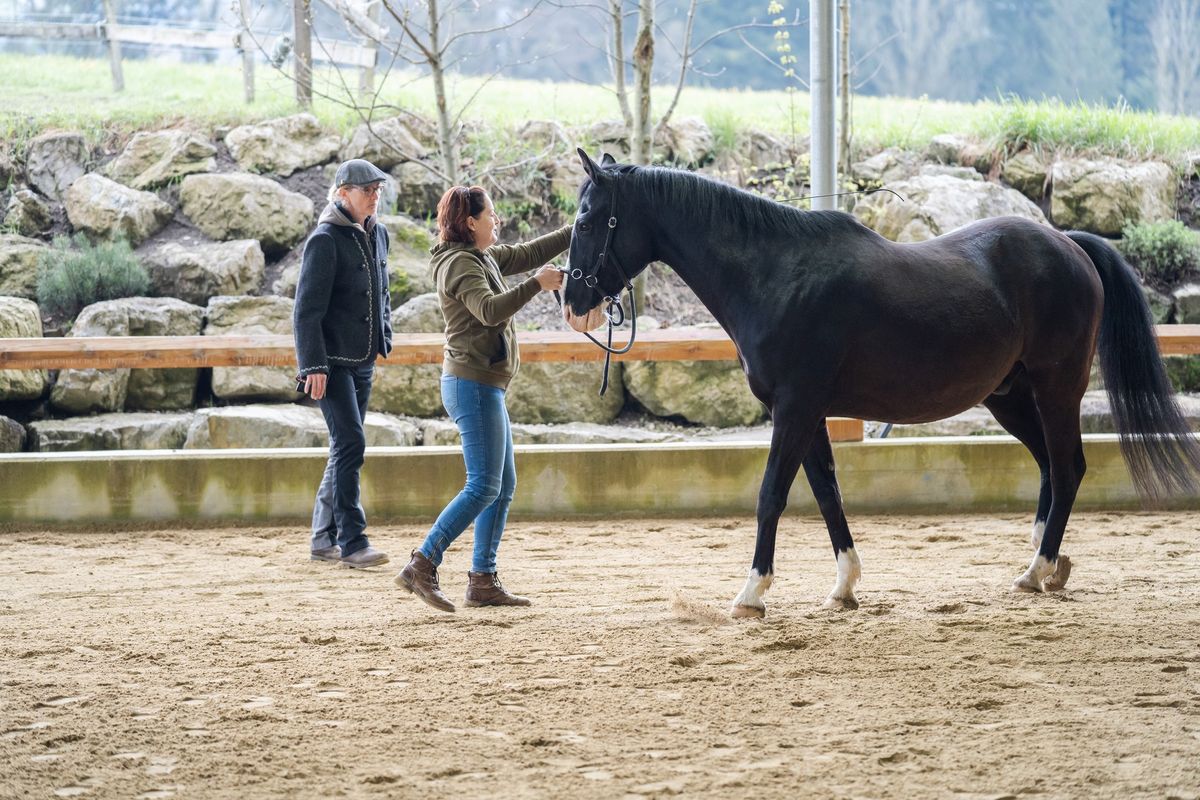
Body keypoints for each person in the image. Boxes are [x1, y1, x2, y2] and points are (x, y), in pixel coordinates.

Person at [396, 186, 569, 612]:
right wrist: (536, 286)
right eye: (491, 214)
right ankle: (422, 563)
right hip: (471, 385)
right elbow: (490, 310)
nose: (497, 220)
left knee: (501, 485)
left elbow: (528, 252)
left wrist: (577, 228)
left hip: (483, 384)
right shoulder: (459, 264)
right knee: (484, 485)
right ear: (471, 222)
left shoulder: (482, 256)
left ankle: (482, 580)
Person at [293, 159, 394, 569]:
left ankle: (321, 538)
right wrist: (312, 365)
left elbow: (381, 295)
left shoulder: (379, 234)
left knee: (343, 448)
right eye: (367, 189)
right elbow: (306, 310)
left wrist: (383, 337)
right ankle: (353, 541)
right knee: (351, 444)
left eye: (377, 189)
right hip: (331, 365)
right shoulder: (324, 239)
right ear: (342, 193)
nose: (375, 195)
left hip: (364, 359)